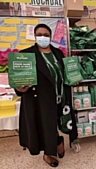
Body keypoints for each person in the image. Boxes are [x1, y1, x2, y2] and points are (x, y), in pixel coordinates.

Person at [15, 24, 77, 167]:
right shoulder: (26, 55)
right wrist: (20, 89)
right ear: (35, 37)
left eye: (46, 35)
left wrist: (74, 77)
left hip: (59, 96)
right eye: (39, 34)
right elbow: (19, 80)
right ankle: (48, 155)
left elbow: (65, 73)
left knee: (58, 122)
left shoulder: (58, 53)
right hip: (39, 99)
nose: (43, 37)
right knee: (45, 126)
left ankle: (58, 141)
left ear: (50, 36)